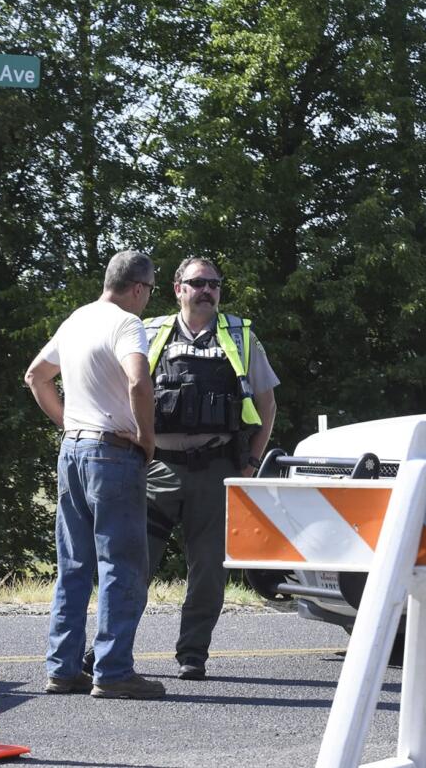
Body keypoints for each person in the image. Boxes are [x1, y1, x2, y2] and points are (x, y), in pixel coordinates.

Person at [24, 250, 165, 699]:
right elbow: (139, 381)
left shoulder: (76, 320)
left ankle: (62, 668)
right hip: (113, 453)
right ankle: (113, 670)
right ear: (139, 288)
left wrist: (68, 423)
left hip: (73, 450)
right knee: (121, 565)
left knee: (74, 565)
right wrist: (146, 436)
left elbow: (36, 377)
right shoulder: (127, 324)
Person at [141, 257, 278, 680]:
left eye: (214, 284)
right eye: (198, 282)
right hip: (156, 468)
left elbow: (267, 404)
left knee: (208, 571)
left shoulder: (240, 334)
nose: (207, 290)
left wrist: (253, 462)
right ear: (177, 287)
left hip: (216, 466)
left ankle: (193, 654)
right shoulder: (148, 333)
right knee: (133, 566)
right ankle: (108, 652)